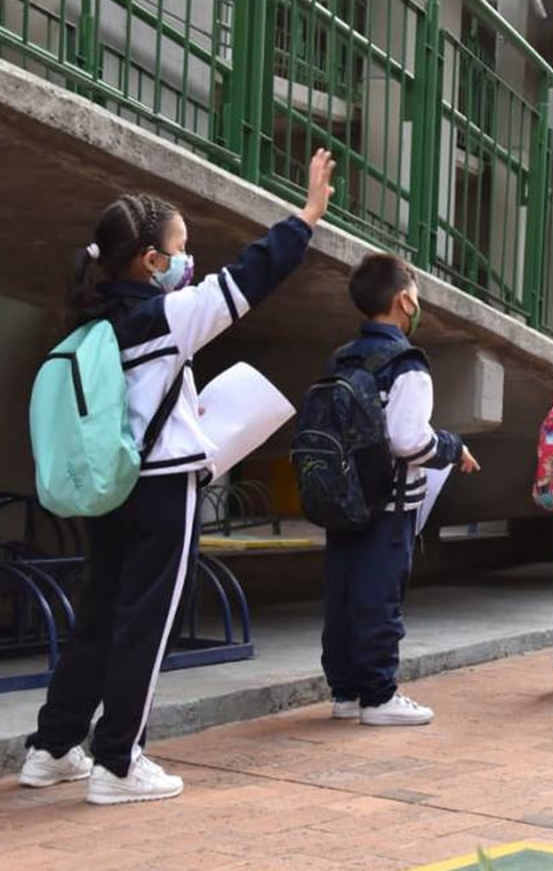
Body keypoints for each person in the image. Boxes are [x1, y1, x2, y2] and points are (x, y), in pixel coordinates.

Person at [20, 150, 335, 804]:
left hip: (111, 489)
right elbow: (249, 277)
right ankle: (118, 761)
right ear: (149, 260)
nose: (191, 261)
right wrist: (305, 217)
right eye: (182, 249)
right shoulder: (164, 317)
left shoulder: (95, 321)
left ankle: (52, 748)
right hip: (164, 488)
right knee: (148, 621)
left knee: (101, 616)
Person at [321, 254, 481, 727]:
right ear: (404, 299)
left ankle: (346, 691)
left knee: (344, 595)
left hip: (343, 498)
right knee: (380, 595)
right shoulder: (407, 364)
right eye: (416, 291)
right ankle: (379, 695)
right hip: (388, 504)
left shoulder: (342, 357)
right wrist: (452, 446)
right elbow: (407, 440)